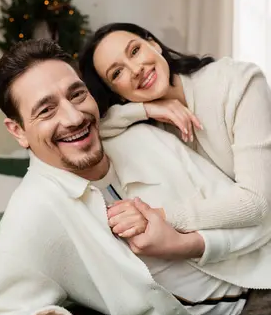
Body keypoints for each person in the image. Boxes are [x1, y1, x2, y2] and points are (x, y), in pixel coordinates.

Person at [0, 39, 271, 315]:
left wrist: (186, 241)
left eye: (76, 95)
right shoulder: (35, 211)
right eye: (46, 110)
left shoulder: (146, 140)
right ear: (17, 131)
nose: (74, 117)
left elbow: (261, 221)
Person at [79, 22, 271, 233]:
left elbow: (257, 203)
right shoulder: (145, 124)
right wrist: (146, 110)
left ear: (153, 44)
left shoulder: (238, 81)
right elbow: (95, 132)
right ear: (116, 94)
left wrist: (157, 217)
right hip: (241, 240)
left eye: (135, 51)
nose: (136, 70)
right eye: (117, 73)